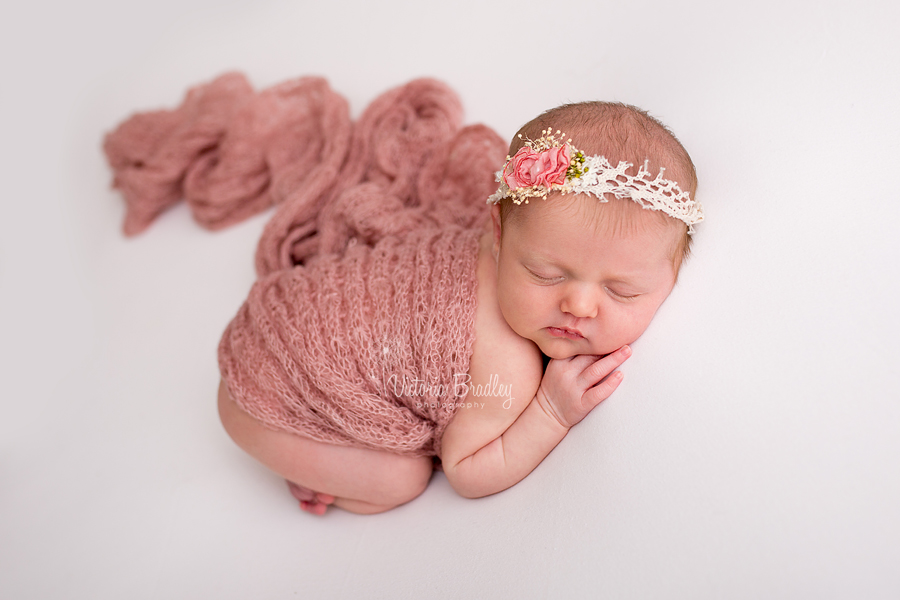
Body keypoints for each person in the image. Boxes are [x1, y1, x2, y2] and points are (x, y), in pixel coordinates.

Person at [217, 100, 703, 515]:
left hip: (284, 319)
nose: (577, 303)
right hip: (266, 392)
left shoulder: (522, 245)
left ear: (672, 278)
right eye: (545, 274)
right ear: (497, 232)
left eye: (621, 291)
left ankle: (315, 456)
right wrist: (551, 412)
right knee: (401, 481)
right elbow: (467, 472)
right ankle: (317, 461)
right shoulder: (507, 368)